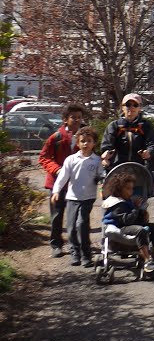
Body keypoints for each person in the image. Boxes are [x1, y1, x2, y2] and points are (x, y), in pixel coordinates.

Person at [38, 103, 87, 258]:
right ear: (65, 119)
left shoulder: (85, 137)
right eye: (73, 117)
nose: (77, 120)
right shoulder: (56, 137)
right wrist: (57, 170)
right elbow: (44, 157)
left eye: (79, 117)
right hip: (57, 183)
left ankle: (77, 244)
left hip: (77, 184)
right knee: (57, 215)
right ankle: (56, 244)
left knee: (78, 216)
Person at [50, 127, 102, 267]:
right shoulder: (71, 159)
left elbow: (101, 177)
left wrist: (103, 186)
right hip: (72, 197)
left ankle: (86, 255)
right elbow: (63, 177)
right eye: (83, 141)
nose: (86, 144)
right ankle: (75, 253)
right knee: (71, 227)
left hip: (88, 198)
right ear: (77, 144)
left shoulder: (96, 161)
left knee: (82, 224)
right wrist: (56, 191)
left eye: (89, 141)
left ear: (94, 143)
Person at [101, 169, 154, 271]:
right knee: (141, 230)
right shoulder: (117, 204)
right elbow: (127, 220)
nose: (131, 191)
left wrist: (143, 214)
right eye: (128, 189)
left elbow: (133, 219)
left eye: (132, 189)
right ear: (119, 189)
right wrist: (136, 208)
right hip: (119, 228)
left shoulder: (127, 201)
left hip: (127, 225)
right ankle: (147, 260)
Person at [100, 93, 154, 182]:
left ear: (140, 108)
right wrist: (106, 155)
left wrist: (148, 152)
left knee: (138, 195)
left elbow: (152, 144)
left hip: (139, 171)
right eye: (128, 105)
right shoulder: (114, 126)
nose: (131, 107)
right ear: (122, 107)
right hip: (118, 171)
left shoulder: (147, 126)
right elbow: (107, 145)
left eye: (135, 105)